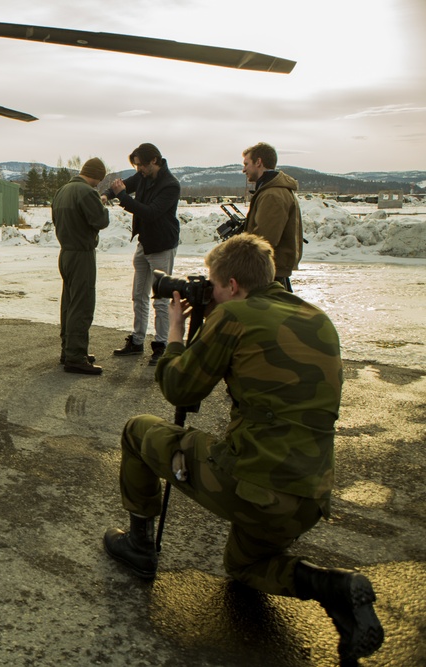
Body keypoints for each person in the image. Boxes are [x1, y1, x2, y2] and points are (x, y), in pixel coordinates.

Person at [101, 234, 383, 663]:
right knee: (244, 567)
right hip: (309, 495)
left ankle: (139, 546)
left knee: (138, 431)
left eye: (213, 286)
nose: (209, 293)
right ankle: (334, 588)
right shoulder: (317, 318)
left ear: (232, 286)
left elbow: (180, 389)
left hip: (255, 486)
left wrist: (177, 331)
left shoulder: (234, 318)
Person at [107, 143, 181, 365]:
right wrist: (105, 194)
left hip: (162, 246)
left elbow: (150, 213)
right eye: (136, 165)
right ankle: (137, 341)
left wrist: (122, 197)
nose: (138, 169)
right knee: (138, 295)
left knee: (160, 299)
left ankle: (161, 346)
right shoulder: (142, 177)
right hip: (144, 243)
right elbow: (121, 186)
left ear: (154, 161)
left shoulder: (171, 185)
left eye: (141, 165)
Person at [52, 158, 110, 375]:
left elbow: (56, 220)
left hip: (65, 252)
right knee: (82, 304)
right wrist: (103, 206)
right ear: (98, 176)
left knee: (68, 303)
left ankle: (68, 350)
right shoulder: (87, 192)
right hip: (82, 254)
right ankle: (76, 357)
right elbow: (100, 221)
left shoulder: (62, 191)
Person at [241, 142, 303, 292]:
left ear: (258, 162)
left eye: (246, 164)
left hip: (269, 270)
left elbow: (265, 240)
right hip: (271, 268)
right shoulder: (270, 190)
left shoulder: (272, 194)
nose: (244, 170)